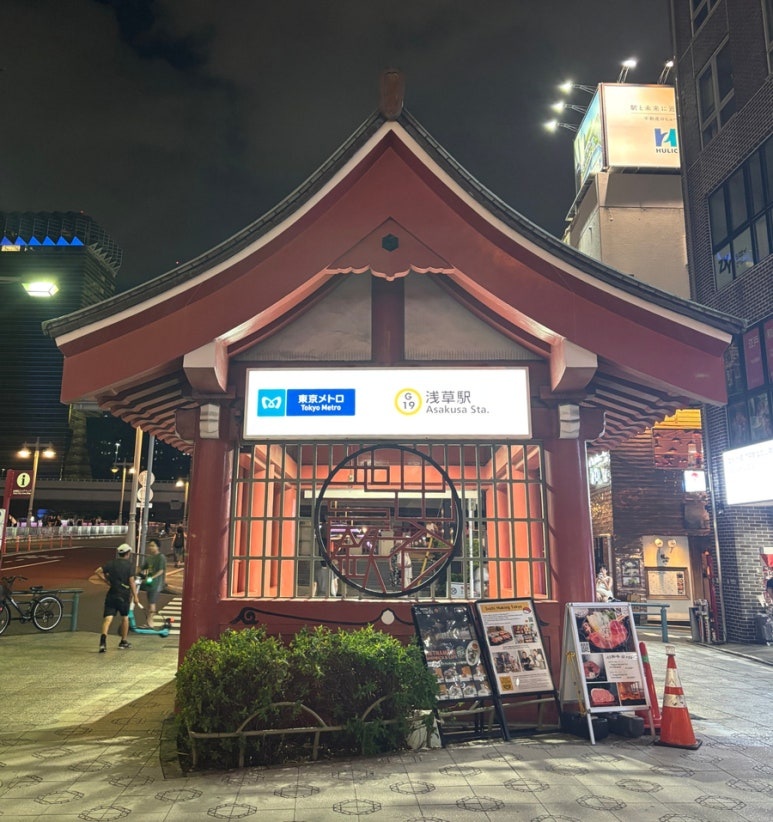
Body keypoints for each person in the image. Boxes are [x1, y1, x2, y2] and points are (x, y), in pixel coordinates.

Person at [95, 543, 140, 653]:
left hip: (112, 593)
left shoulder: (111, 563)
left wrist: (106, 581)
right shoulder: (129, 565)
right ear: (128, 553)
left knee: (108, 618)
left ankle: (102, 642)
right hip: (124, 595)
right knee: (124, 617)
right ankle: (123, 641)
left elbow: (97, 571)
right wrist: (136, 596)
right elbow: (132, 581)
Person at [141, 538, 167, 628]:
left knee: (152, 603)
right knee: (149, 603)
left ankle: (150, 623)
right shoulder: (149, 558)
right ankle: (149, 622)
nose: (150, 547)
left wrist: (152, 577)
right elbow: (142, 568)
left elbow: (161, 570)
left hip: (157, 584)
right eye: (150, 545)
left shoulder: (161, 557)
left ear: (158, 547)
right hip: (149, 584)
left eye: (153, 545)